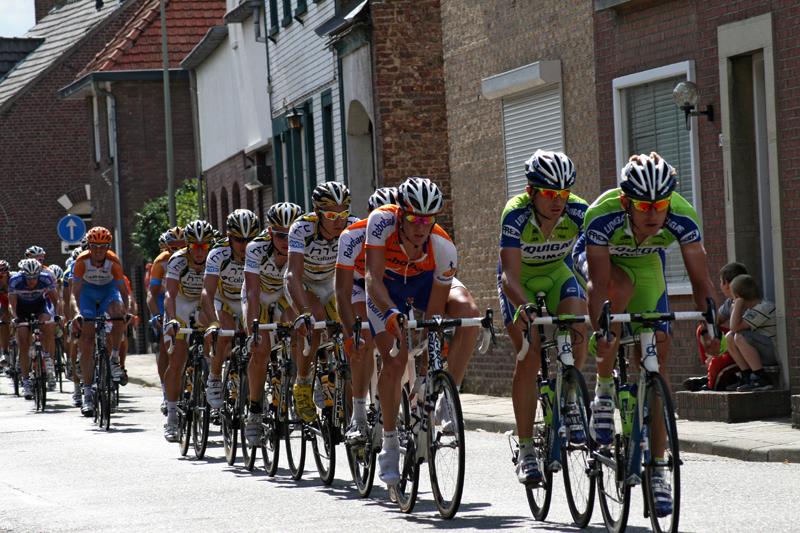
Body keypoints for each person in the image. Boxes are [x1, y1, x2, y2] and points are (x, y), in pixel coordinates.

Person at [577, 152, 719, 517]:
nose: (653, 213)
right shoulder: (602, 213)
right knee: (616, 291)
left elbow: (701, 279)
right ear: (626, 201)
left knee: (655, 363)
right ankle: (604, 390)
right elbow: (596, 283)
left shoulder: (682, 215)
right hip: (603, 265)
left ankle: (657, 468)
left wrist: (713, 326)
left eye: (660, 204)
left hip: (647, 266)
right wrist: (601, 330)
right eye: (643, 205)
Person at [497, 150, 589, 485]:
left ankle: (572, 401)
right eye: (549, 194)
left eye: (563, 194)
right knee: (531, 354)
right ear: (531, 190)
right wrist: (523, 306)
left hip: (557, 274)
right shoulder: (515, 213)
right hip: (519, 282)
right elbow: (509, 275)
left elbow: (594, 254)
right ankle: (525, 451)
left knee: (578, 325)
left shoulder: (579, 210)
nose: (557, 201)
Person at [365, 177, 457, 485]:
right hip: (386, 291)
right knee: (394, 360)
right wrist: (391, 312)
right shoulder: (380, 222)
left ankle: (434, 394)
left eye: (428, 219)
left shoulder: (443, 246)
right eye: (414, 218)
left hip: (419, 287)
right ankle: (389, 445)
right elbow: (371, 277)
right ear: (400, 214)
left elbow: (434, 310)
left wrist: (431, 353)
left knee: (453, 321)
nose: (421, 225)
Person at [284, 182, 359, 423]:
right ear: (317, 213)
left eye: (343, 213)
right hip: (303, 283)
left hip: (332, 282)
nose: (339, 221)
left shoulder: (353, 226)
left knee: (351, 328)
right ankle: (303, 383)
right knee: (314, 322)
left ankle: (349, 398)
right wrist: (303, 310)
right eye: (331, 215)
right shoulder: (301, 228)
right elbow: (293, 273)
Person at [335, 188, 396, 445]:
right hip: (359, 286)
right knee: (364, 337)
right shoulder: (353, 236)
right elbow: (343, 291)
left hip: (389, 285)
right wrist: (351, 334)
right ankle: (358, 415)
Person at [241, 203, 303, 445]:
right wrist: (252, 332)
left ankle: (299, 385)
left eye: (291, 234)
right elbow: (253, 294)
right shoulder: (255, 248)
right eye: (280, 235)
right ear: (270, 233)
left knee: (296, 328)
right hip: (258, 295)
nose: (287, 240)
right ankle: (254, 410)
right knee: (261, 350)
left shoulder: (302, 246)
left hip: (283, 295)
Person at [162, 220, 215, 441]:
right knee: (177, 360)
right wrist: (172, 320)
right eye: (195, 247)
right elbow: (169, 295)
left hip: (204, 303)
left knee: (216, 338)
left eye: (205, 246)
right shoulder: (178, 260)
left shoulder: (215, 257)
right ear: (188, 246)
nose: (200, 252)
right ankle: (172, 415)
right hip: (181, 304)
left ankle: (213, 382)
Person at [70, 227, 131, 416]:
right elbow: (75, 293)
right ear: (89, 246)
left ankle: (113, 359)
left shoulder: (113, 260)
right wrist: (77, 313)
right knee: (88, 340)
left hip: (108, 291)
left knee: (117, 312)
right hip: (87, 293)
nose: (98, 250)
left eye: (103, 247)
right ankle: (87, 396)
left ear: (108, 247)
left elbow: (123, 290)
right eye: (94, 246)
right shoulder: (81, 261)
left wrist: (127, 311)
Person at [201, 209, 259, 409]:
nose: (244, 245)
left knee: (257, 341)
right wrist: (213, 323)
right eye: (239, 240)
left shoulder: (260, 250)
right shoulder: (218, 253)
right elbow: (207, 292)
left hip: (247, 300)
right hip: (223, 299)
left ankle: (257, 391)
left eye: (249, 239)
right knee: (224, 334)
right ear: (229, 237)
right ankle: (214, 379)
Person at [683, 261, 747, 391]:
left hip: (744, 347)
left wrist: (714, 356)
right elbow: (714, 322)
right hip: (733, 342)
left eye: (721, 282)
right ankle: (712, 374)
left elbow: (744, 336)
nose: (720, 286)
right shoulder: (730, 301)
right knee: (704, 329)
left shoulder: (746, 303)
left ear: (727, 284)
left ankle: (711, 381)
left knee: (716, 362)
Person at [8, 259, 60, 400]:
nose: (32, 281)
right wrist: (15, 318)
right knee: (24, 341)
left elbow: (56, 301)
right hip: (21, 309)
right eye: (29, 278)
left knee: (47, 326)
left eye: (35, 277)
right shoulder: (15, 280)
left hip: (39, 306)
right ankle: (26, 383)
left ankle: (47, 357)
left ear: (39, 274)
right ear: (24, 276)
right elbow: (12, 305)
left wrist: (58, 316)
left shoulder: (46, 278)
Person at [148, 227, 186, 414]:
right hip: (166, 300)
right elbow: (152, 294)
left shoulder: (195, 256)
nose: (178, 251)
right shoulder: (161, 262)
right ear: (166, 248)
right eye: (173, 248)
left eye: (183, 246)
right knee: (165, 344)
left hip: (187, 299)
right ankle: (166, 392)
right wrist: (157, 315)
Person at [724, 274, 777, 391]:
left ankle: (761, 378)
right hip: (761, 351)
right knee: (730, 337)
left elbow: (735, 327)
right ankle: (747, 376)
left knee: (739, 336)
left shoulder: (763, 307)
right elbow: (734, 330)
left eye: (734, 298)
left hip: (772, 351)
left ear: (738, 297)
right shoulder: (752, 310)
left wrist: (737, 305)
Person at [0, 260, 11, 368]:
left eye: (2, 276)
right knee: (4, 320)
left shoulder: (15, 280)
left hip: (16, 303)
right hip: (3, 304)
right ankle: (5, 352)